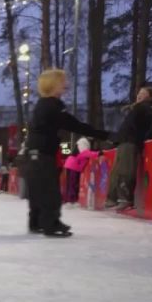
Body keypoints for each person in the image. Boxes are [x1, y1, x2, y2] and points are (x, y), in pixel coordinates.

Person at [26, 69, 109, 237]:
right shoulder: (51, 105)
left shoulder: (43, 104)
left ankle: (36, 221)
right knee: (50, 190)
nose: (66, 85)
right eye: (62, 82)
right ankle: (50, 224)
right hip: (43, 152)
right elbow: (73, 125)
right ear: (53, 84)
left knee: (39, 189)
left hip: (35, 152)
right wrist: (104, 135)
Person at [106, 86, 152, 210]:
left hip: (131, 141)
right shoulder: (137, 108)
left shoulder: (147, 106)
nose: (139, 95)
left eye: (143, 93)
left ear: (150, 97)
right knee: (116, 172)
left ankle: (124, 198)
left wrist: (147, 138)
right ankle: (112, 198)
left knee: (126, 170)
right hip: (124, 141)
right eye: (139, 93)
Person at [63, 137, 100, 205]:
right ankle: (71, 200)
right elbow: (84, 153)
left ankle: (70, 199)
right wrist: (98, 153)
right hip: (73, 165)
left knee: (72, 183)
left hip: (73, 165)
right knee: (72, 183)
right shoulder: (83, 141)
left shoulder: (84, 143)